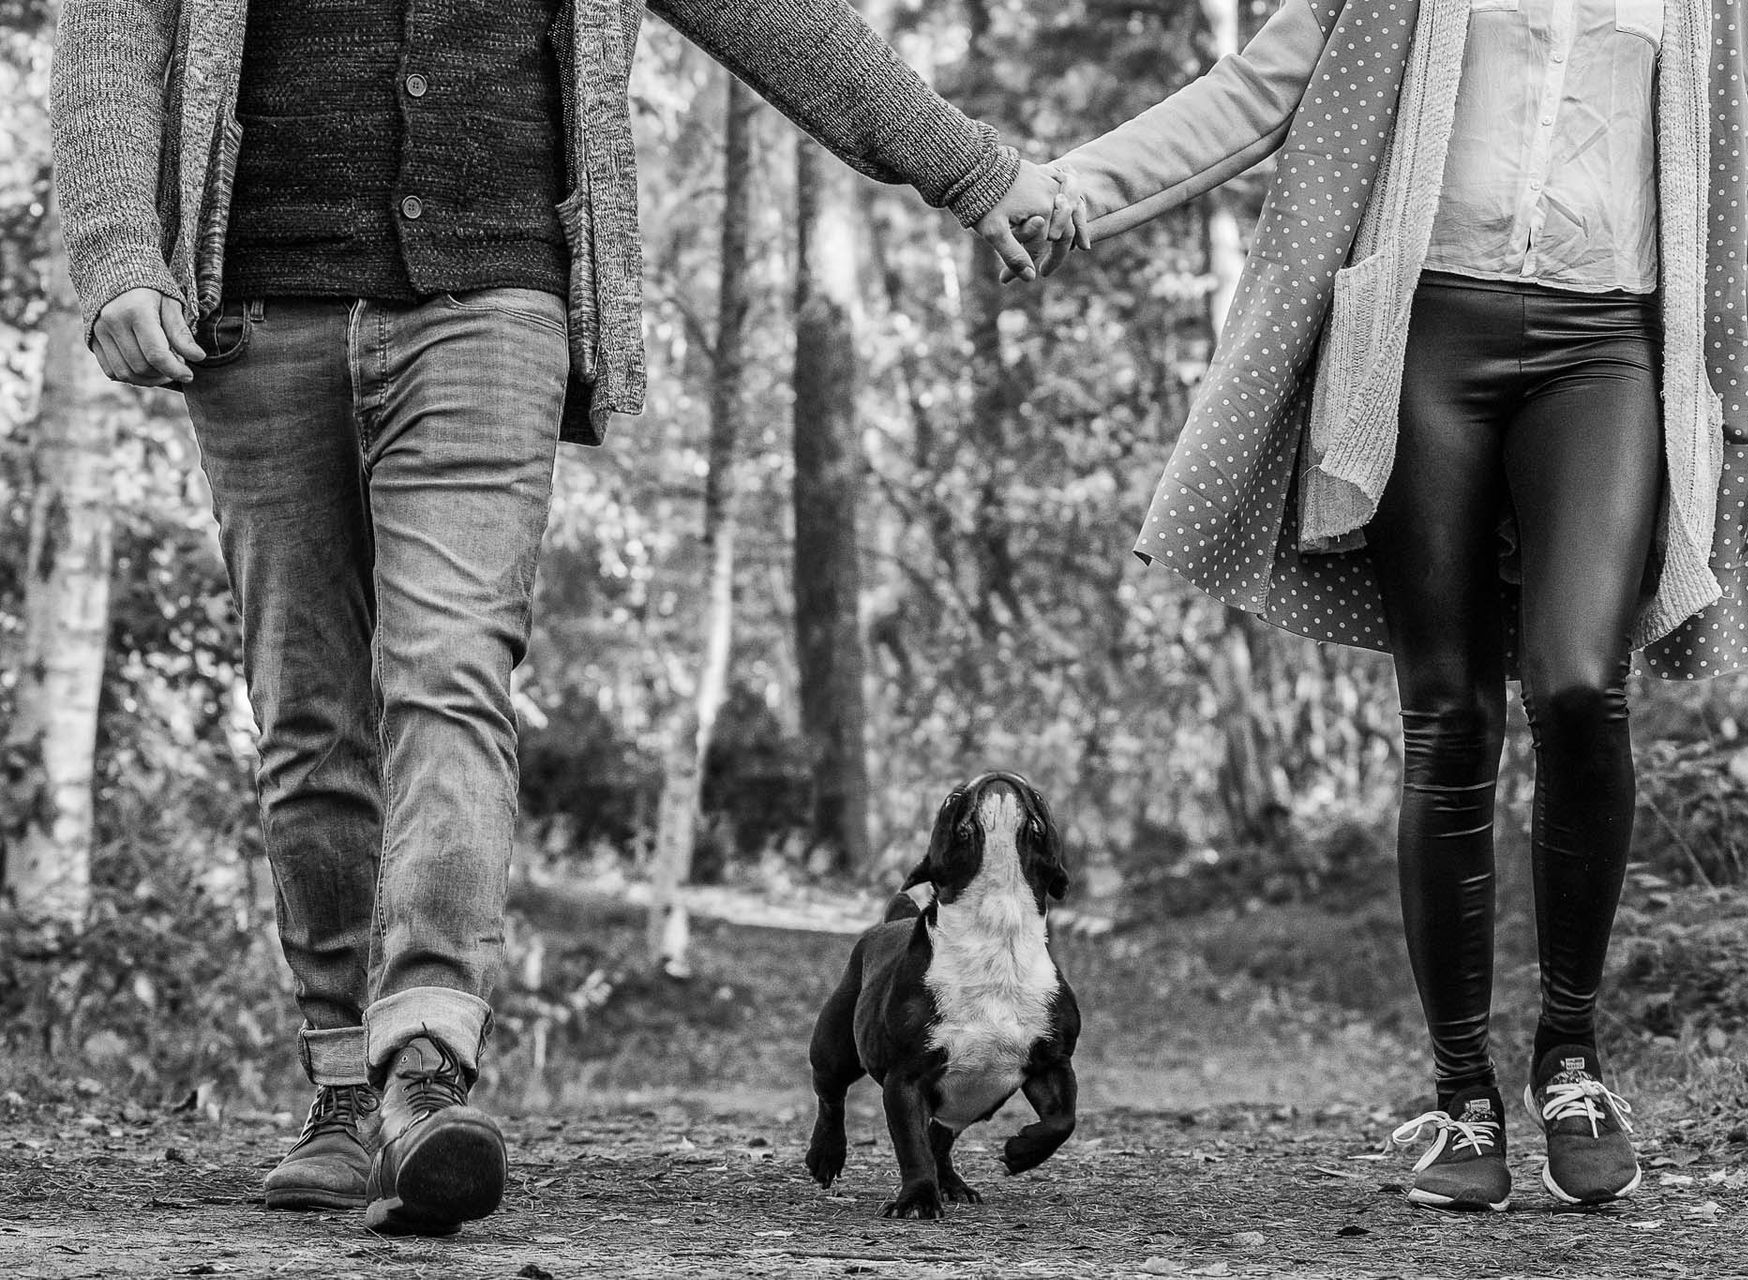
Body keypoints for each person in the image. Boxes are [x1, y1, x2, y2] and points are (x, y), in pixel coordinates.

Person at [49, 0, 1076, 1237]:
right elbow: (114, 26)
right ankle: (338, 1089)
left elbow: (776, 18)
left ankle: (420, 1067)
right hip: (256, 310)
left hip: (493, 303)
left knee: (450, 675)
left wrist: (974, 171)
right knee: (312, 716)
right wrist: (117, 252)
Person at [1000, 0, 1748, 1210]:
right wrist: (1069, 186)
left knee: (1581, 681)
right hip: (1423, 340)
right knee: (1451, 714)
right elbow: (1251, 97)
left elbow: (1730, 200)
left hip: (1609, 351)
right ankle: (1463, 1097)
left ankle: (1570, 1057)